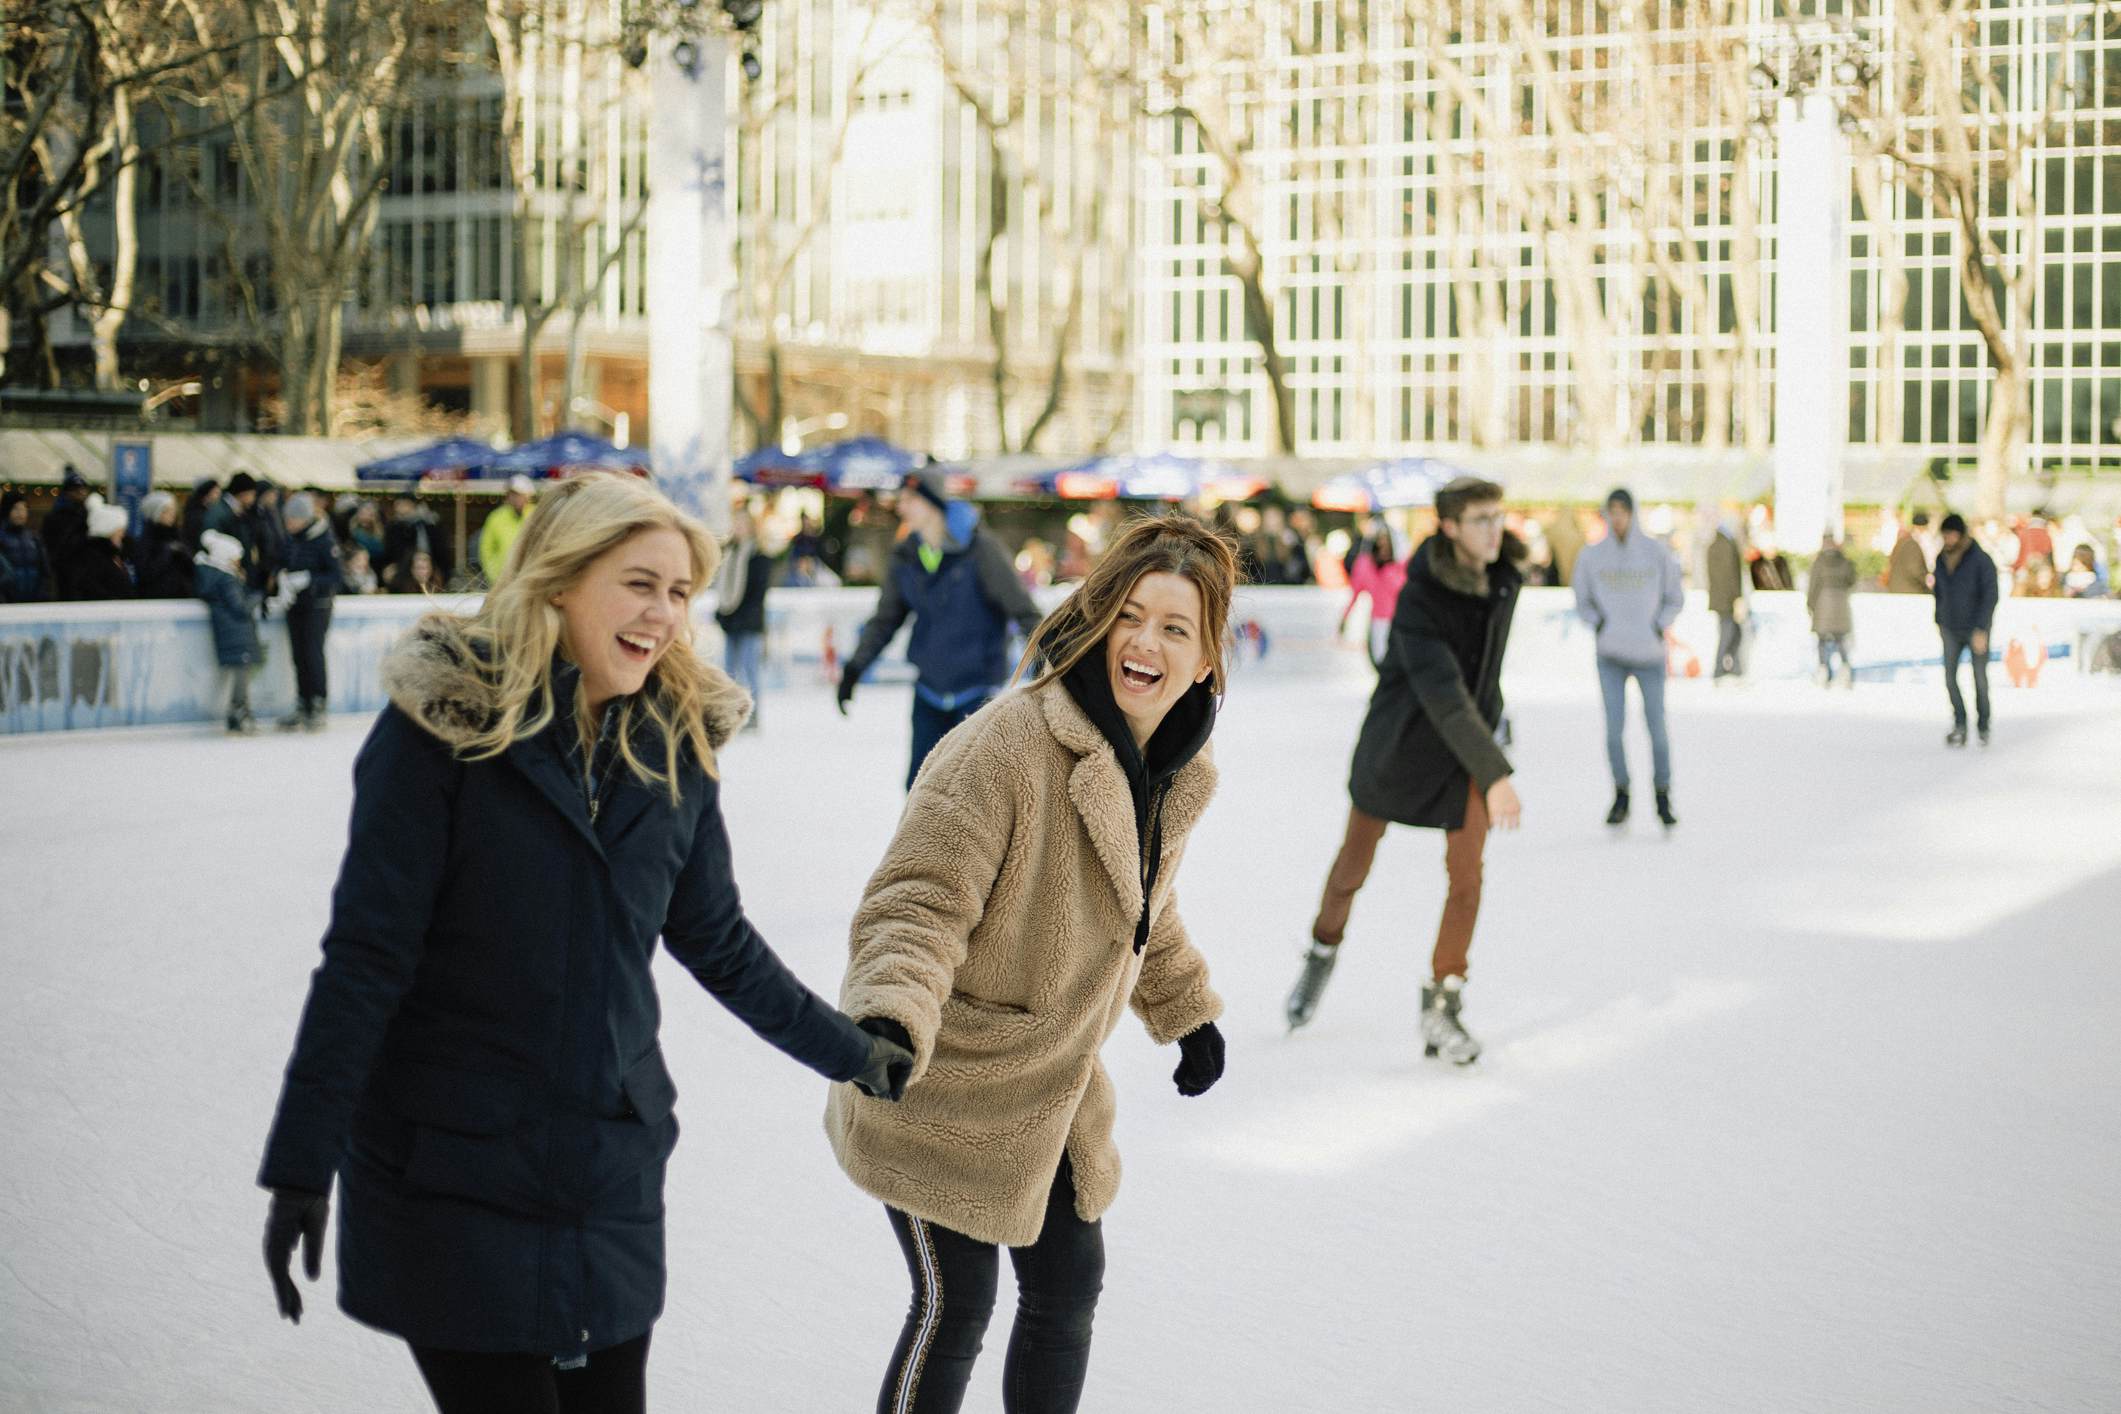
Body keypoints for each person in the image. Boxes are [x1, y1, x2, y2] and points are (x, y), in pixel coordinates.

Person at [254, 472, 911, 1414]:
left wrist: (856, 1055)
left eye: (680, 592)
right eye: (639, 583)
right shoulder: (445, 732)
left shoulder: (673, 748)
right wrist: (299, 1163)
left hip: (607, 1169)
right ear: (560, 579)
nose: (663, 615)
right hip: (456, 1171)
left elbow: (718, 942)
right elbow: (366, 960)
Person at [828, 513, 1234, 1414]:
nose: (1146, 643)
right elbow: (917, 901)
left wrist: (1185, 1009)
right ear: (1096, 621)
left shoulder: (1165, 767)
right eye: (1131, 615)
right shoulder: (1004, 747)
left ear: (1206, 659)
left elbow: (1140, 906)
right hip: (939, 1078)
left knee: (1067, 1284)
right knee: (956, 1300)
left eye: (1175, 628)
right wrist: (890, 1012)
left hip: (1048, 1090)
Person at [1286, 477, 1523, 1062]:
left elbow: (1480, 678)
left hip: (1462, 751)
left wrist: (1489, 744)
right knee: (1351, 869)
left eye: (1498, 517)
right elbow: (1443, 692)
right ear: (1448, 526)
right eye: (1480, 520)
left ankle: (1444, 1004)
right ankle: (1321, 951)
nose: (1495, 530)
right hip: (1400, 745)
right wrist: (1496, 771)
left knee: (1467, 876)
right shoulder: (1418, 599)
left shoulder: (1503, 579)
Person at [837, 467, 1045, 787]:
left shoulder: (981, 550)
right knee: (920, 788)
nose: (901, 507)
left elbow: (1023, 610)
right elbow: (886, 619)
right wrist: (855, 667)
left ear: (932, 502)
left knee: (973, 792)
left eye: (909, 499)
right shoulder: (906, 555)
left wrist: (1048, 661)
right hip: (929, 690)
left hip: (978, 692)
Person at [1574, 487, 1683, 828]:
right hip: (1611, 654)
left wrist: (1657, 625)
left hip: (1649, 653)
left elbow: (1674, 596)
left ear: (1633, 514)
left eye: (1623, 511)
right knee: (1613, 729)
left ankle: (1662, 793)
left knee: (1656, 728)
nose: (1617, 518)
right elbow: (1582, 599)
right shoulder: (1592, 557)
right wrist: (1600, 624)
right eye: (1612, 511)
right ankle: (1621, 792)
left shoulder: (1656, 553)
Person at [275, 493, 343, 730]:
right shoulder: (291, 539)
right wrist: (282, 579)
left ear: (304, 518)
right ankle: (302, 702)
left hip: (318, 605)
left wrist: (309, 579)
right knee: (298, 655)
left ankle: (317, 702)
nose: (288, 524)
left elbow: (336, 576)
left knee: (313, 653)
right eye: (287, 519)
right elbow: (282, 561)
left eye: (292, 519)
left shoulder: (324, 539)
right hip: (295, 604)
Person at [1934, 512, 1998, 747]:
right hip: (1950, 627)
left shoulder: (1980, 560)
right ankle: (1960, 722)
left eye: (1951, 534)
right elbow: (1939, 593)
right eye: (1945, 535)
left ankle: (1983, 725)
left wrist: (1982, 628)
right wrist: (1939, 620)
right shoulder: (1941, 559)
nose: (1948, 539)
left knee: (1979, 679)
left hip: (1975, 629)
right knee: (1950, 678)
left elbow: (1990, 596)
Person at [711, 504, 775, 730]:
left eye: (742, 523)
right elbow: (722, 588)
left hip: (749, 622)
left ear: (750, 527)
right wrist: (723, 612)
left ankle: (753, 715)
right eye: (735, 523)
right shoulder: (728, 553)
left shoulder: (759, 556)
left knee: (750, 669)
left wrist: (743, 614)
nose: (738, 528)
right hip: (730, 620)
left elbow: (758, 593)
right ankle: (732, 713)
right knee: (729, 670)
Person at [195, 529, 263, 733]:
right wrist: (256, 595)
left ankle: (241, 710)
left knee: (241, 673)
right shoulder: (227, 580)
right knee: (242, 674)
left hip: (230, 633)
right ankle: (239, 711)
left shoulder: (215, 578)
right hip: (237, 634)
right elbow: (240, 607)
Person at [1340, 524, 1406, 669]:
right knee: (1382, 663)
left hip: (1402, 621)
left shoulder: (1402, 566)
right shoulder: (1365, 565)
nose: (1382, 544)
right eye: (1379, 540)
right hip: (1379, 622)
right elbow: (1354, 593)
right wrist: (1344, 619)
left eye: (1386, 540)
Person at [1806, 531, 1857, 688]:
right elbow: (1851, 580)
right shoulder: (1844, 561)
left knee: (1822, 640)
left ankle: (1823, 669)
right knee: (1841, 640)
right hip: (1841, 605)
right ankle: (1845, 669)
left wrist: (1810, 605)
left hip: (1823, 604)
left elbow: (1813, 585)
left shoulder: (1819, 561)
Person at [60, 498, 136, 600]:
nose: (122, 535)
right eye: (119, 531)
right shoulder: (91, 559)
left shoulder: (114, 555)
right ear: (107, 531)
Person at [132, 492, 199, 598]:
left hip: (182, 595)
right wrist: (167, 552)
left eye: (173, 510)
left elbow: (192, 567)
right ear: (156, 513)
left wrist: (184, 554)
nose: (172, 514)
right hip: (157, 599)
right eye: (166, 511)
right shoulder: (147, 539)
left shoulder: (177, 535)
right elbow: (145, 572)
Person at [1706, 517, 1746, 681]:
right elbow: (1731, 575)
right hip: (1728, 599)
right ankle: (1721, 668)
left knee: (1731, 632)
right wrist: (1736, 597)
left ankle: (1733, 667)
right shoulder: (1727, 546)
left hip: (1720, 598)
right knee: (1728, 633)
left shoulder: (1715, 545)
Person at [478, 475, 537, 583]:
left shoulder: (537, 515)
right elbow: (485, 549)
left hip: (531, 580)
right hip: (503, 581)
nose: (514, 498)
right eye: (511, 494)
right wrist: (494, 575)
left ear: (528, 495)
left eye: (518, 494)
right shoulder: (496, 517)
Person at [0, 491, 53, 602]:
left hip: (34, 600)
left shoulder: (33, 538)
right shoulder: (2, 537)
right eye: (16, 509)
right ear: (7, 510)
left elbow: (45, 570)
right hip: (8, 602)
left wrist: (44, 593)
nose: (20, 513)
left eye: (23, 508)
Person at [40, 466, 94, 572]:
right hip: (65, 570)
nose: (82, 492)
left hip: (85, 570)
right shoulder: (56, 517)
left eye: (83, 489)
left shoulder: (88, 513)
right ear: (68, 492)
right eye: (77, 489)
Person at [1885, 512, 1931, 592]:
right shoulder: (1912, 544)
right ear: (1922, 528)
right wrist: (1926, 582)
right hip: (1909, 591)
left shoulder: (1903, 541)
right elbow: (1915, 570)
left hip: (1899, 590)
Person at [180, 477, 221, 552]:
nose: (218, 496)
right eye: (216, 493)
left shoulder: (211, 512)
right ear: (207, 494)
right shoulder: (196, 514)